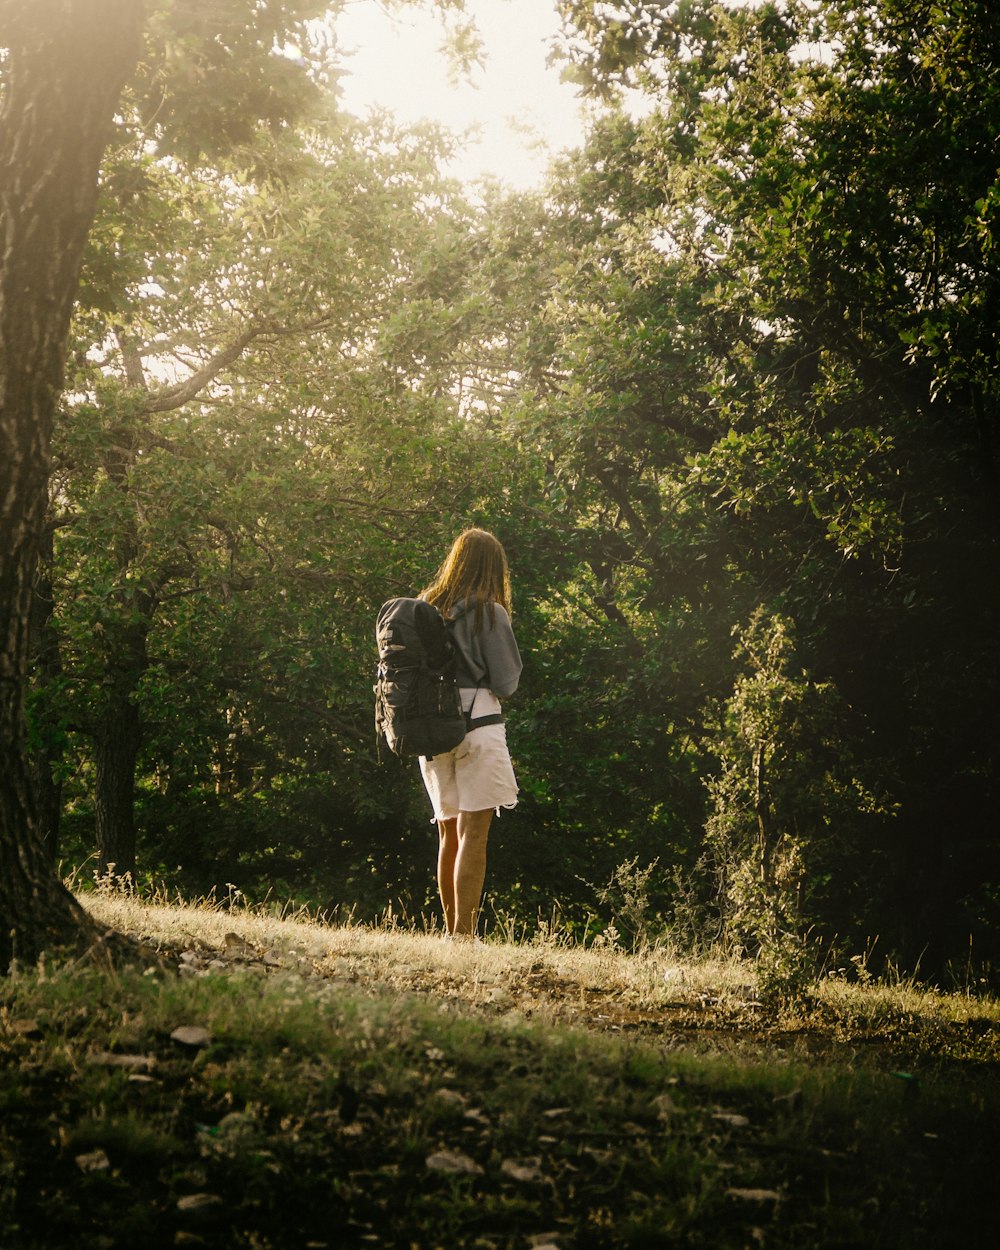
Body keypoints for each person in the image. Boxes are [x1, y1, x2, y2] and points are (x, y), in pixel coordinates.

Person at [418, 528, 522, 938]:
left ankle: (450, 933)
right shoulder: (488, 612)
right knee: (473, 834)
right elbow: (507, 681)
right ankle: (464, 936)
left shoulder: (427, 608)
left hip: (431, 731)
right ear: (492, 567)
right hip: (477, 728)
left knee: (448, 834)